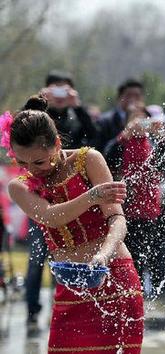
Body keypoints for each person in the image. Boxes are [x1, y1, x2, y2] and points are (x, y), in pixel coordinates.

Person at [5, 96, 143, 353]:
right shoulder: (19, 186)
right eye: (22, 162)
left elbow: (118, 220)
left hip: (114, 275)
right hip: (70, 287)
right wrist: (92, 196)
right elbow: (51, 217)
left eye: (39, 162)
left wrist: (103, 255)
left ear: (56, 144)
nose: (32, 170)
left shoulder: (88, 160)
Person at [25, 70, 100, 330]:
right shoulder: (36, 116)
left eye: (64, 89)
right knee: (36, 260)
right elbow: (21, 135)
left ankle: (68, 309)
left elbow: (95, 137)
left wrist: (77, 107)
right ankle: (32, 310)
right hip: (40, 197)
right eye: (53, 89)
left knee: (68, 258)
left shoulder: (75, 117)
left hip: (73, 197)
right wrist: (37, 103)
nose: (59, 94)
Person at [104, 102, 165, 296]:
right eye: (134, 118)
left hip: (150, 208)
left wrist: (160, 136)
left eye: (143, 118)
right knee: (130, 253)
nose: (139, 123)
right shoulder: (121, 143)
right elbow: (107, 160)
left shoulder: (154, 142)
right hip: (125, 208)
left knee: (152, 254)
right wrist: (123, 137)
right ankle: (130, 290)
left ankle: (151, 293)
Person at [96, 78, 145, 153]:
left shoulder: (147, 119)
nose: (133, 99)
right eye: (129, 95)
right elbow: (101, 151)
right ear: (119, 97)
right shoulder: (105, 121)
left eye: (137, 96)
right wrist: (123, 136)